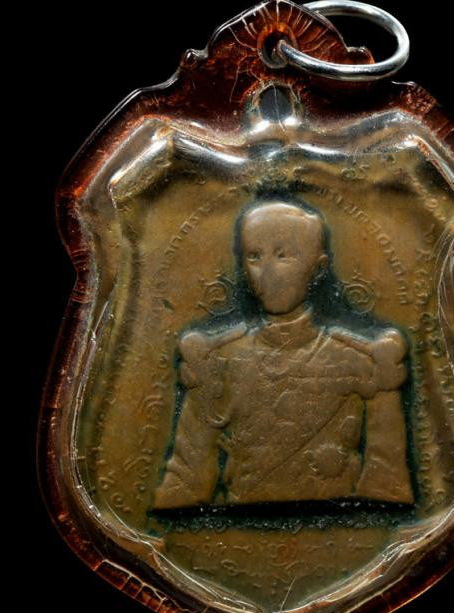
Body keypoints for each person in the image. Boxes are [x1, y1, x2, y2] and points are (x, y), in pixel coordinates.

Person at [152, 197, 414, 509]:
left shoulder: (366, 361)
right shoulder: (216, 361)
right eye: (254, 256)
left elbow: (387, 484)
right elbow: (184, 484)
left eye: (282, 255)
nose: (267, 273)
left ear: (319, 268)